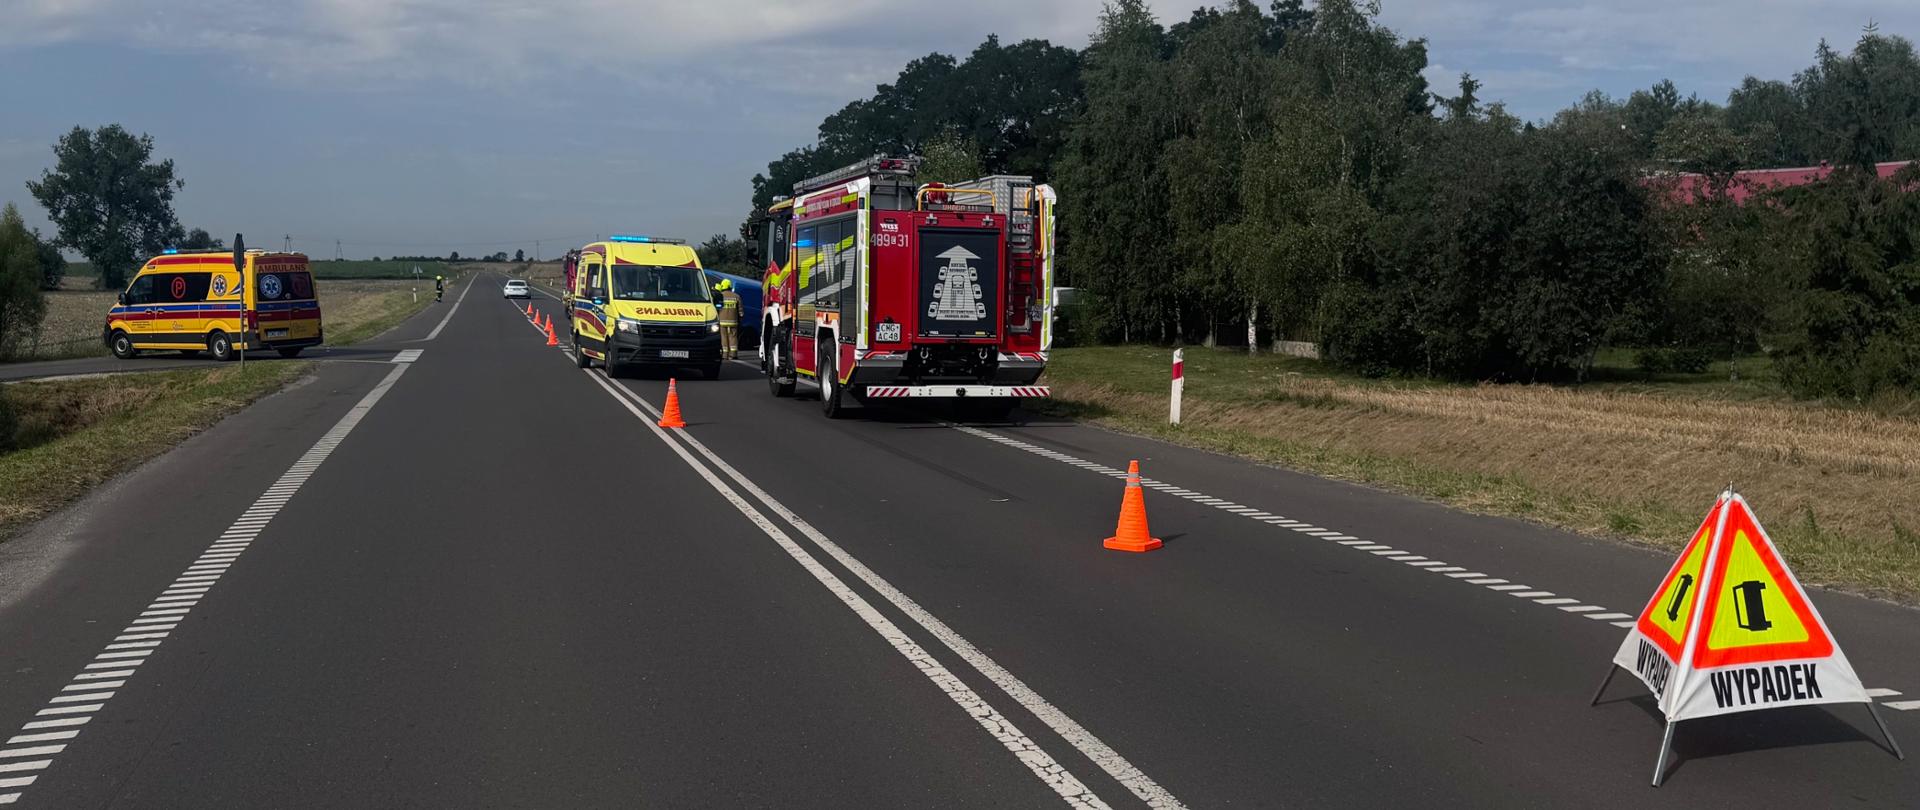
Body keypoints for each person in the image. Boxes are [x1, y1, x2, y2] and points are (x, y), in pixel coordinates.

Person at [715, 278, 741, 360]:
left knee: (724, 337)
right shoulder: (736, 296)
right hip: (733, 321)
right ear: (730, 286)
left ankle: (724, 355)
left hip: (722, 321)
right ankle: (733, 354)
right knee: (733, 337)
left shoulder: (720, 296)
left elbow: (717, 308)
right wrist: (740, 317)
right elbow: (740, 310)